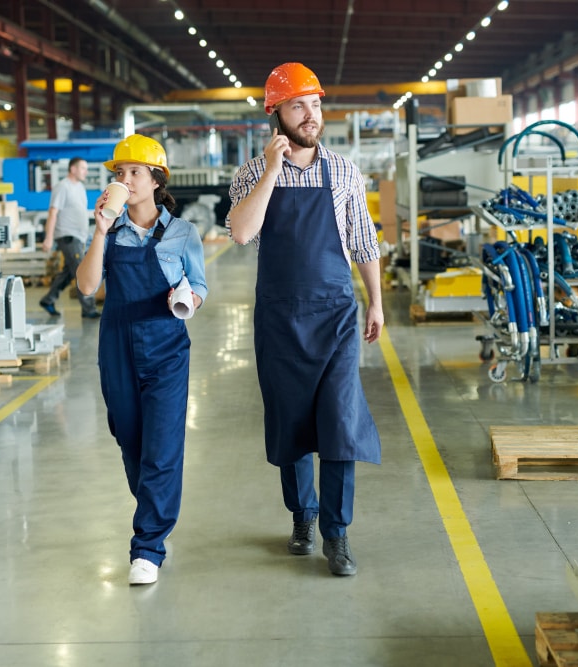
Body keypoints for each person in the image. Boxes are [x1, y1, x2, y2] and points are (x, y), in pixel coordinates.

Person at [226, 62, 383, 577]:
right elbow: (243, 233)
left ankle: (337, 534)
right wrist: (272, 170)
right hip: (279, 316)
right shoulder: (250, 174)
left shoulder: (344, 172)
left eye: (314, 104)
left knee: (341, 423)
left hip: (336, 313)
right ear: (277, 114)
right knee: (291, 424)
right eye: (298, 105)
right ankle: (303, 516)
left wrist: (376, 301)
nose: (310, 114)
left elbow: (362, 241)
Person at [76, 135, 208, 586]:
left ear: (155, 180)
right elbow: (88, 287)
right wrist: (98, 229)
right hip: (116, 346)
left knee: (163, 448)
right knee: (130, 440)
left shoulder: (182, 233)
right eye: (119, 173)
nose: (125, 180)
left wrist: (189, 296)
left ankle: (147, 546)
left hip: (167, 346)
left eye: (134, 172)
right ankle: (156, 510)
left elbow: (200, 286)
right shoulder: (108, 232)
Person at [40, 156, 101, 319]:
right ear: (73, 169)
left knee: (68, 272)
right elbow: (53, 212)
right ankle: (89, 309)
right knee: (83, 270)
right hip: (68, 236)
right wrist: (48, 238)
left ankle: (48, 299)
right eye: (83, 168)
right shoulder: (62, 187)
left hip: (79, 237)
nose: (86, 172)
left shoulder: (80, 187)